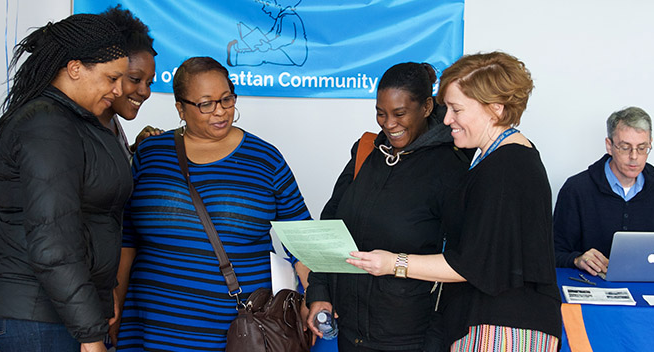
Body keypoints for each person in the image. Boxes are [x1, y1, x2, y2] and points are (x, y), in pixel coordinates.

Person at [345, 52, 562, 351]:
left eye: (457, 110)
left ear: (495, 110)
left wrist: (392, 263)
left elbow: (470, 265)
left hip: (503, 331)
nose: (447, 120)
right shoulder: (495, 158)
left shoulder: (506, 168)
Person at [115, 56, 312, 351]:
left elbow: (302, 240)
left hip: (239, 332)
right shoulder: (151, 154)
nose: (220, 112)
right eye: (206, 104)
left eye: (227, 99)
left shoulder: (265, 159)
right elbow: (126, 238)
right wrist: (114, 301)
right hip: (152, 325)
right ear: (180, 108)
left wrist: (313, 297)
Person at [0, 14, 131, 352]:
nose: (118, 90)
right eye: (111, 78)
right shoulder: (47, 125)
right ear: (75, 68)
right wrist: (89, 332)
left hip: (57, 307)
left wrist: (100, 297)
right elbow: (53, 240)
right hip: (36, 311)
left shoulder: (74, 120)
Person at [306, 62, 472, 351]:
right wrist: (319, 292)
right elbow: (330, 226)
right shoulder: (366, 152)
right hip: (350, 330)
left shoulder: (451, 168)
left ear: (427, 107)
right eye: (380, 113)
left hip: (411, 338)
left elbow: (461, 262)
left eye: (399, 113)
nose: (388, 123)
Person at [553, 107, 654, 275]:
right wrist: (577, 260)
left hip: (647, 286)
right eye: (625, 147)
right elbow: (551, 254)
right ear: (609, 146)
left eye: (642, 148)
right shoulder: (576, 189)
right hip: (591, 286)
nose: (634, 156)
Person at [98, 5, 162, 157]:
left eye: (149, 83)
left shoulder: (111, 119)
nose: (144, 92)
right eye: (135, 79)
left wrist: (134, 149)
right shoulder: (83, 128)